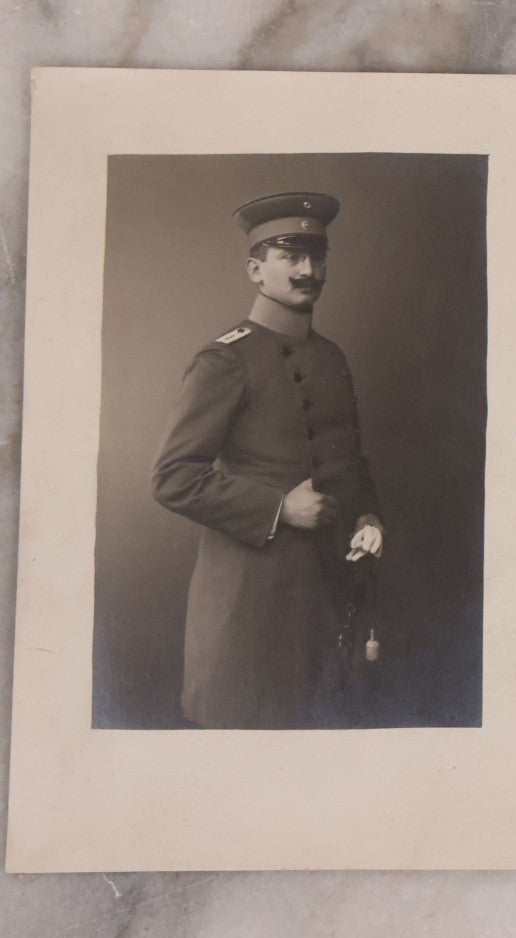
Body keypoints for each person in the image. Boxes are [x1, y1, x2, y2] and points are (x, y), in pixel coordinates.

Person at [152, 191, 385, 729]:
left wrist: (368, 514)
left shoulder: (331, 357)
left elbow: (348, 458)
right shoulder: (225, 359)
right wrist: (280, 507)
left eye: (317, 257)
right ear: (256, 270)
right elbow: (172, 478)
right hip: (251, 603)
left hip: (328, 591)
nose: (308, 271)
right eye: (290, 256)